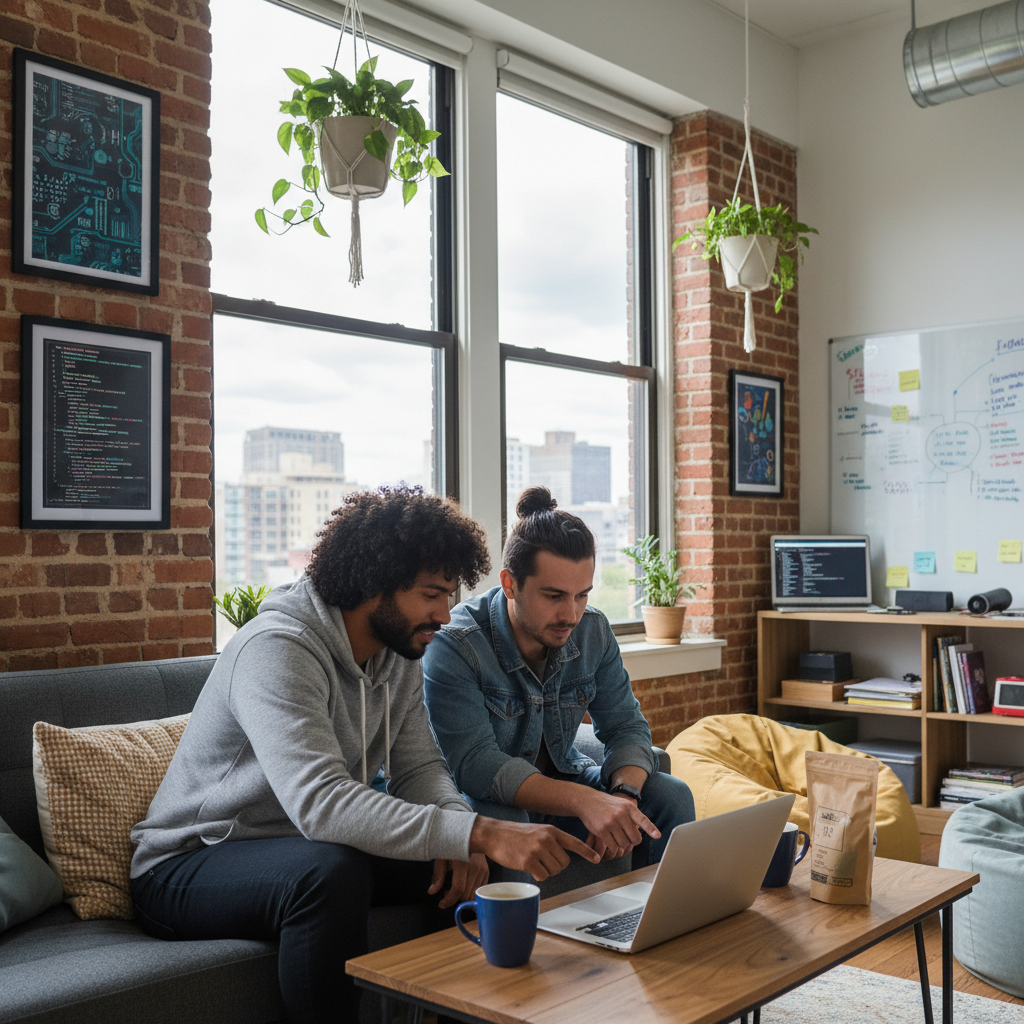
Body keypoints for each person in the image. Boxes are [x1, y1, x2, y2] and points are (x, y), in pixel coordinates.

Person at [130, 486, 598, 1024]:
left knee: (465, 861)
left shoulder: (397, 651)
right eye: (430, 595)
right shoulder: (277, 648)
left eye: (449, 595)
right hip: (186, 863)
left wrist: (461, 829)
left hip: (301, 849)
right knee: (331, 871)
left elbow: (419, 768)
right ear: (373, 581)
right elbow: (321, 803)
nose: (445, 615)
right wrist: (479, 830)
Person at [423, 486, 696, 875]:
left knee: (672, 794)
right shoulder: (457, 644)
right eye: (553, 596)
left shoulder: (593, 631)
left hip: (563, 777)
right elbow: (476, 766)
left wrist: (623, 796)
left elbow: (627, 728)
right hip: (479, 798)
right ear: (510, 583)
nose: (571, 614)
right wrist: (585, 802)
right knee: (509, 823)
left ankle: (661, 924)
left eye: (581, 595)